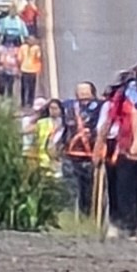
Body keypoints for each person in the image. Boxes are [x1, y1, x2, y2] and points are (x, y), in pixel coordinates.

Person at [100, 71, 137, 235]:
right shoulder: (115, 103)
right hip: (118, 145)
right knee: (119, 185)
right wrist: (99, 145)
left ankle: (135, 221)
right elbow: (106, 123)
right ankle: (120, 221)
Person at [57, 80, 100, 218]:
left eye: (85, 91)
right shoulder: (68, 106)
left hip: (90, 155)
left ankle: (87, 216)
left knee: (88, 190)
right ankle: (70, 216)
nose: (82, 94)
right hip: (70, 154)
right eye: (79, 91)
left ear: (92, 93)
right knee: (70, 188)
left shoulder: (99, 108)